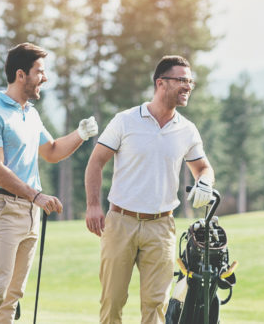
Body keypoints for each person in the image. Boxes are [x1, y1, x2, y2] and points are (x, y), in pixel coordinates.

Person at [0, 42, 98, 323]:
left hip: (30, 213)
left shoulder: (31, 113)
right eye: (40, 71)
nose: (45, 78)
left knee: (14, 294)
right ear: (21, 74)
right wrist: (36, 195)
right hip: (4, 207)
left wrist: (80, 134)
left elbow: (51, 151)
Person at [84, 55, 215, 324]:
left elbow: (203, 167)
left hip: (161, 226)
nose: (188, 86)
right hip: (120, 222)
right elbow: (96, 162)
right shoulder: (125, 120)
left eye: (190, 81)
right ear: (160, 83)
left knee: (157, 306)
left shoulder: (187, 130)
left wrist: (205, 181)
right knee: (112, 301)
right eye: (181, 80)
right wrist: (93, 205)